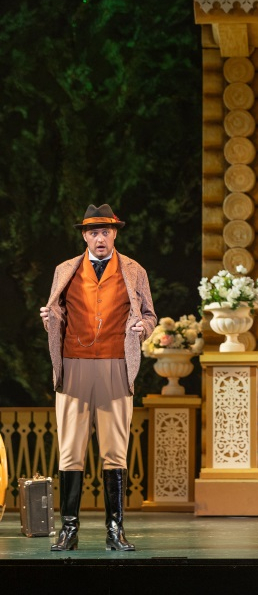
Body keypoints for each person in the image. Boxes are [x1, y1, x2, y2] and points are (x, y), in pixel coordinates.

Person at [40, 204, 156, 552]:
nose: (100, 238)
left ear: (115, 233)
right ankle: (69, 530)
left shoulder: (134, 270)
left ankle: (114, 530)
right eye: (94, 232)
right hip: (73, 365)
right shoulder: (65, 270)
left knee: (115, 451)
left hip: (116, 364)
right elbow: (59, 312)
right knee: (70, 450)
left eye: (106, 231)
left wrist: (144, 327)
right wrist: (50, 318)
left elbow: (149, 314)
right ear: (85, 237)